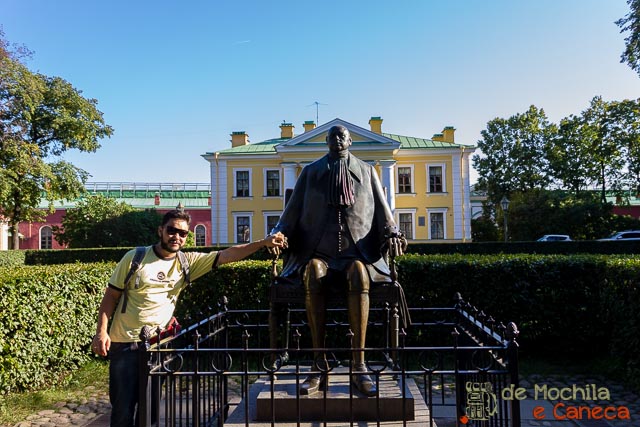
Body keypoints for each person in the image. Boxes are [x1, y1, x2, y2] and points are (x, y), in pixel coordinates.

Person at [92, 209, 286, 427]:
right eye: (172, 230)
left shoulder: (187, 263)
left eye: (182, 233)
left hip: (159, 346)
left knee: (150, 411)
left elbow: (228, 254)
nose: (177, 237)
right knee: (122, 410)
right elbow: (111, 295)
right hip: (125, 344)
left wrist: (263, 242)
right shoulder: (135, 258)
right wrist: (101, 332)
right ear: (161, 231)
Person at [271, 125, 406, 397]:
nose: (337, 141)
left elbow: (383, 209)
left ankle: (359, 366)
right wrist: (276, 234)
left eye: (342, 136)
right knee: (312, 272)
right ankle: (318, 364)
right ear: (327, 141)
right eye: (332, 137)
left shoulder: (368, 171)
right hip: (317, 252)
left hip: (357, 252)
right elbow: (291, 212)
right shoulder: (310, 172)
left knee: (358, 273)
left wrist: (393, 232)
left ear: (350, 140)